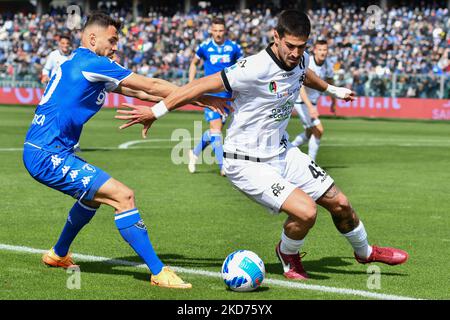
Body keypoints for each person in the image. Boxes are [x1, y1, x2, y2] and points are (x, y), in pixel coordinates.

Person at [117, 10, 408, 281]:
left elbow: (304, 74)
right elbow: (199, 85)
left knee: (341, 204)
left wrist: (332, 89)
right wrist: (156, 111)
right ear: (276, 37)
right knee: (306, 212)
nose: (296, 53)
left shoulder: (300, 59)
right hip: (245, 161)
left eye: (302, 47)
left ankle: (365, 252)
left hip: (281, 152)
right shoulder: (253, 67)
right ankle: (288, 254)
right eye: (291, 46)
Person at [23, 12, 227, 289]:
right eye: (113, 40)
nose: (116, 46)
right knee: (123, 196)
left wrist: (193, 100)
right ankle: (158, 272)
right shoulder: (93, 63)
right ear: (93, 38)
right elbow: (151, 84)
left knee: (92, 198)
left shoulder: (83, 63)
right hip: (47, 154)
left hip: (49, 150)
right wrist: (201, 94)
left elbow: (143, 94)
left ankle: (58, 254)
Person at [187, 17, 243, 176]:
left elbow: (242, 68)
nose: (218, 34)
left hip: (228, 95)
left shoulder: (234, 48)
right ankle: (223, 166)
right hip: (210, 95)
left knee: (214, 131)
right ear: (211, 31)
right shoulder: (204, 47)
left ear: (224, 31)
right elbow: (193, 64)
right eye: (215, 30)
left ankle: (194, 152)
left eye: (221, 30)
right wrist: (192, 85)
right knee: (216, 129)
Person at [291, 38, 336, 161]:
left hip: (312, 103)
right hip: (301, 101)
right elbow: (301, 87)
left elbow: (331, 82)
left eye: (325, 50)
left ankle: (287, 152)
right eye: (320, 49)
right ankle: (311, 163)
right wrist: (310, 107)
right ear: (315, 51)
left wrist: (334, 102)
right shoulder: (308, 63)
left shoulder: (328, 65)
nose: (322, 52)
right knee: (318, 130)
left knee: (309, 133)